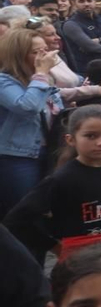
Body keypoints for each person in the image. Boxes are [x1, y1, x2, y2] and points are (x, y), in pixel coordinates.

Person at [4, 106, 101, 262]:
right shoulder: (62, 179)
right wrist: (55, 247)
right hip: (84, 259)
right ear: (71, 139)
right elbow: (16, 220)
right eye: (91, 136)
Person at [0, 28, 63, 217]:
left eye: (44, 50)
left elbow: (56, 107)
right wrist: (42, 73)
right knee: (25, 211)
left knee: (47, 207)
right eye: (36, 52)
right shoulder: (4, 81)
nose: (43, 56)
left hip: (47, 151)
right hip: (18, 156)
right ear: (18, 56)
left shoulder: (41, 79)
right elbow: (28, 107)